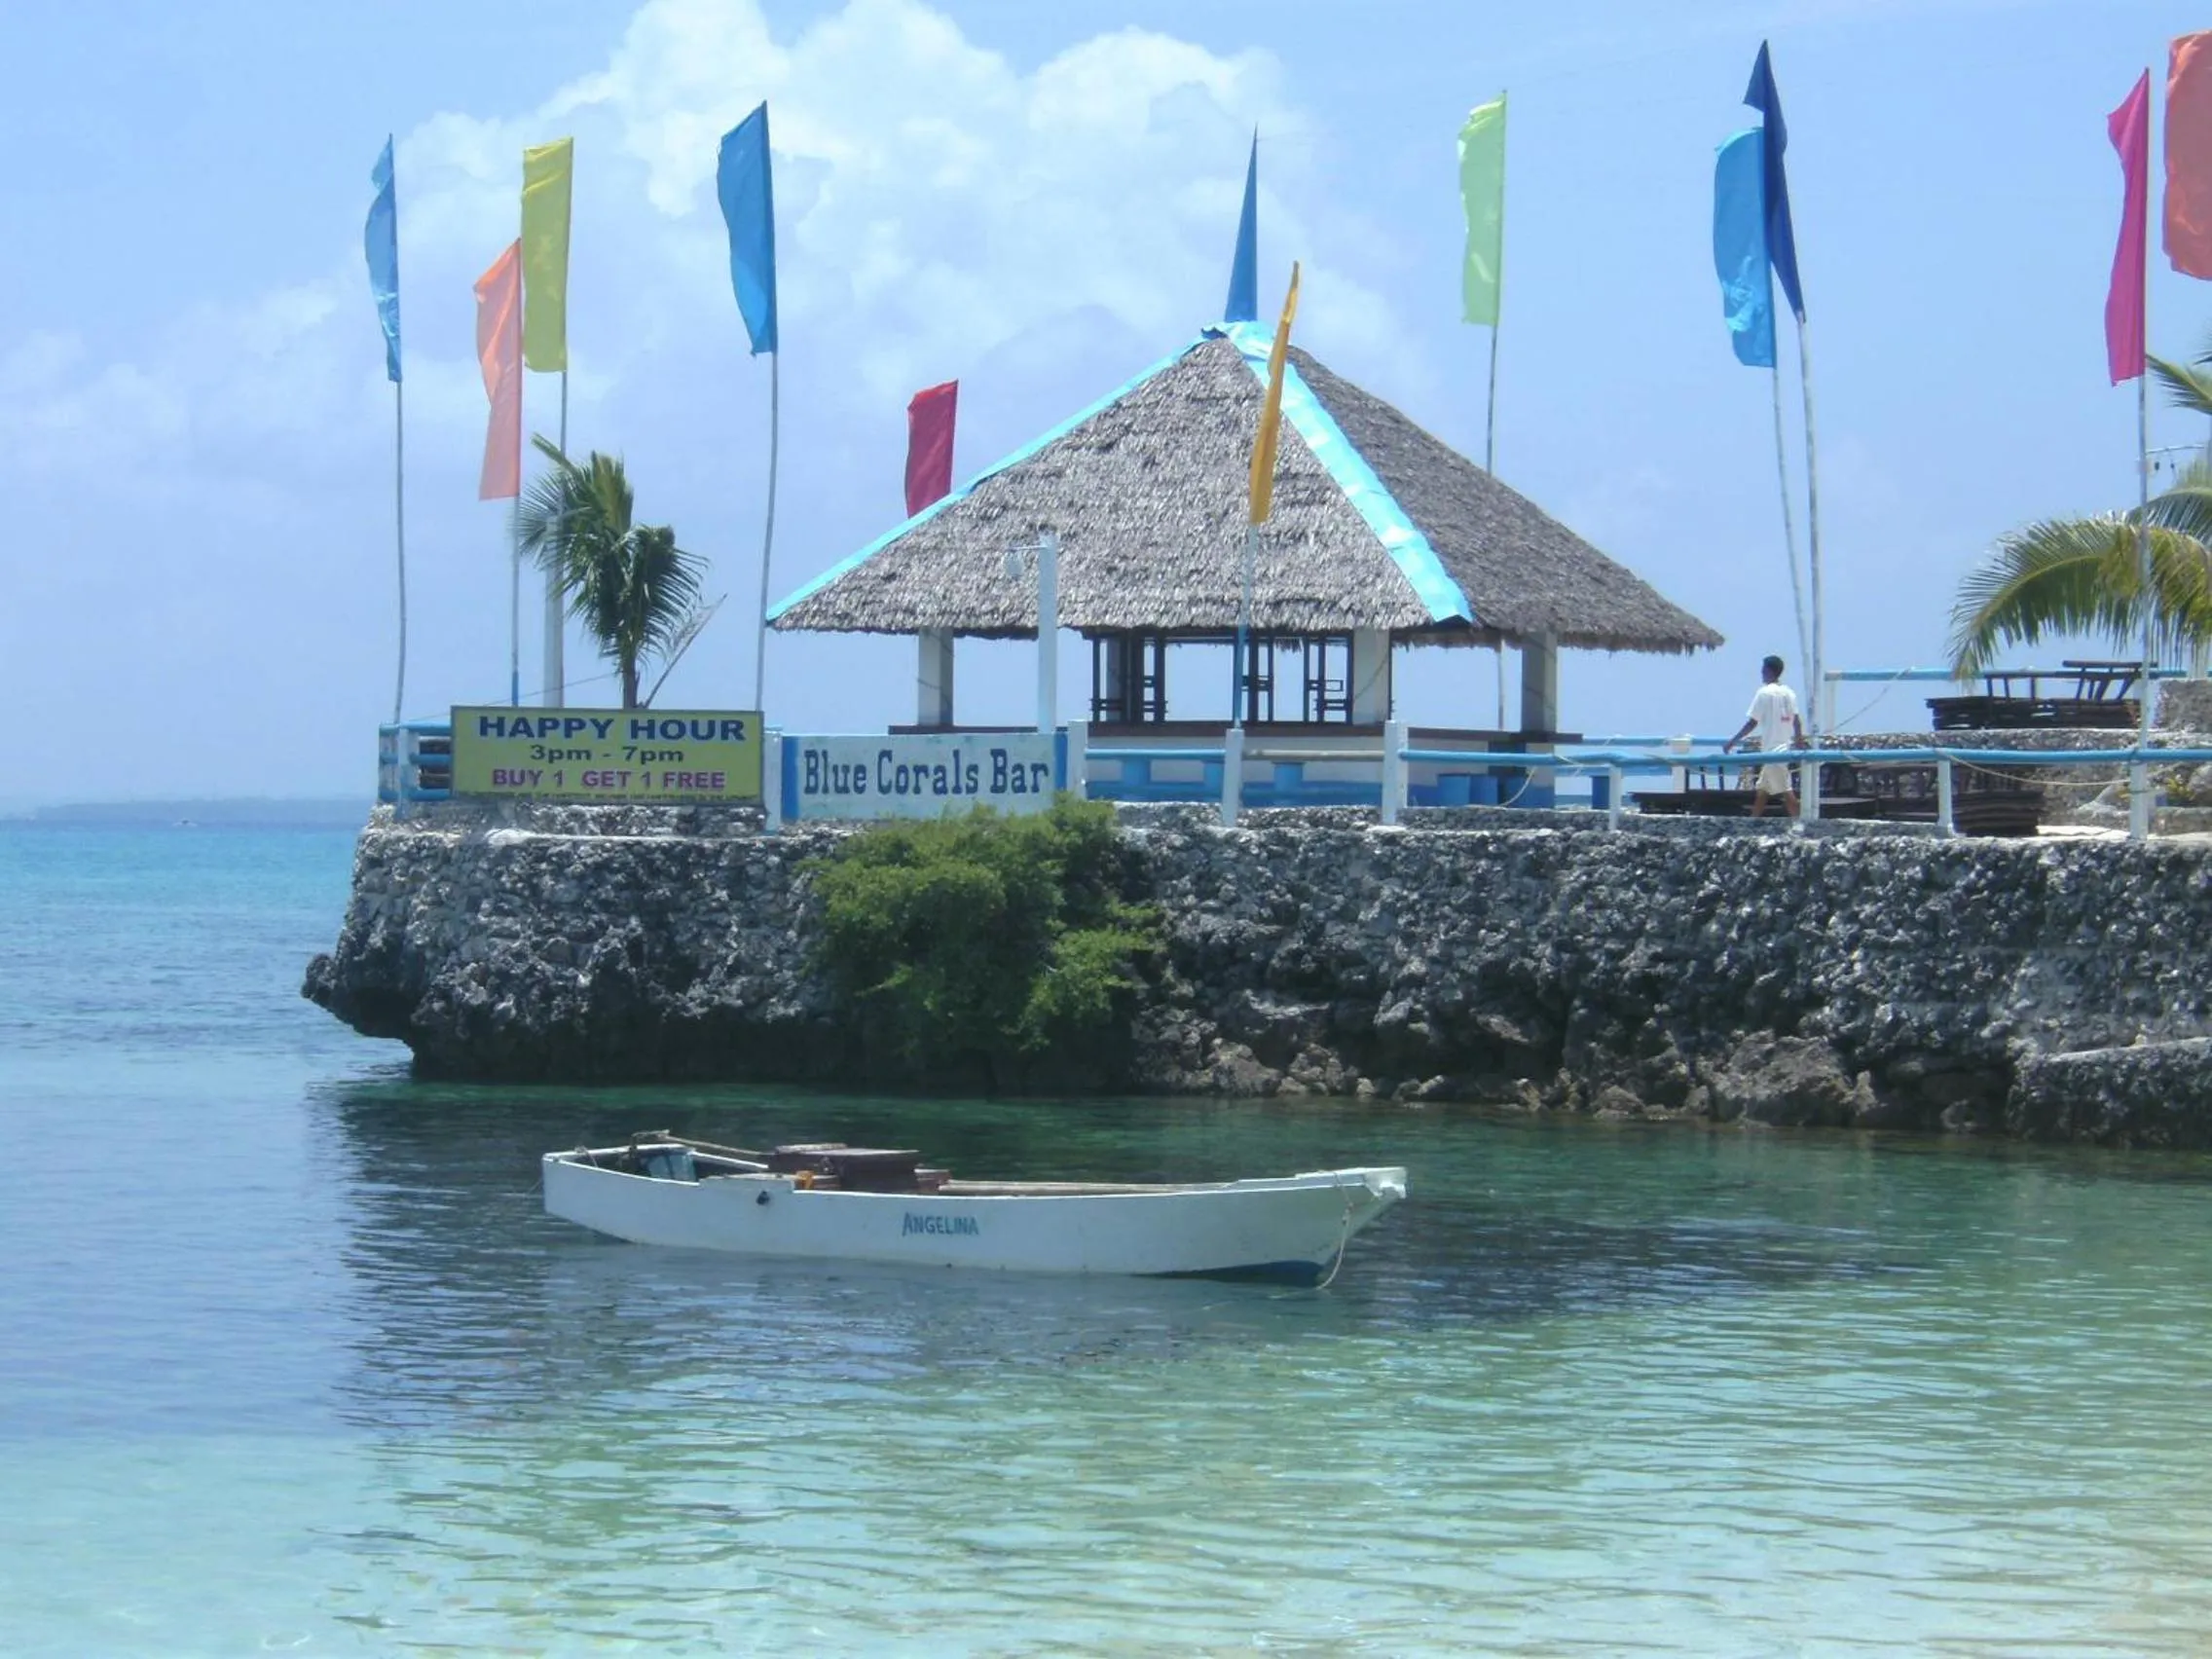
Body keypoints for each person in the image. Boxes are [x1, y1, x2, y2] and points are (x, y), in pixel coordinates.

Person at [1723, 654, 1806, 819]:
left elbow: (1752, 722)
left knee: (1786, 790)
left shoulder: (1764, 693)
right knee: (1762, 790)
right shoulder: (1789, 693)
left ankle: (1801, 822)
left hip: (1773, 751)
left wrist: (1732, 741)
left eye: (1763, 670)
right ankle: (1753, 821)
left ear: (1768, 671)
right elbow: (1797, 721)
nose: (1761, 673)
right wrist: (1799, 740)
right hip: (1783, 748)